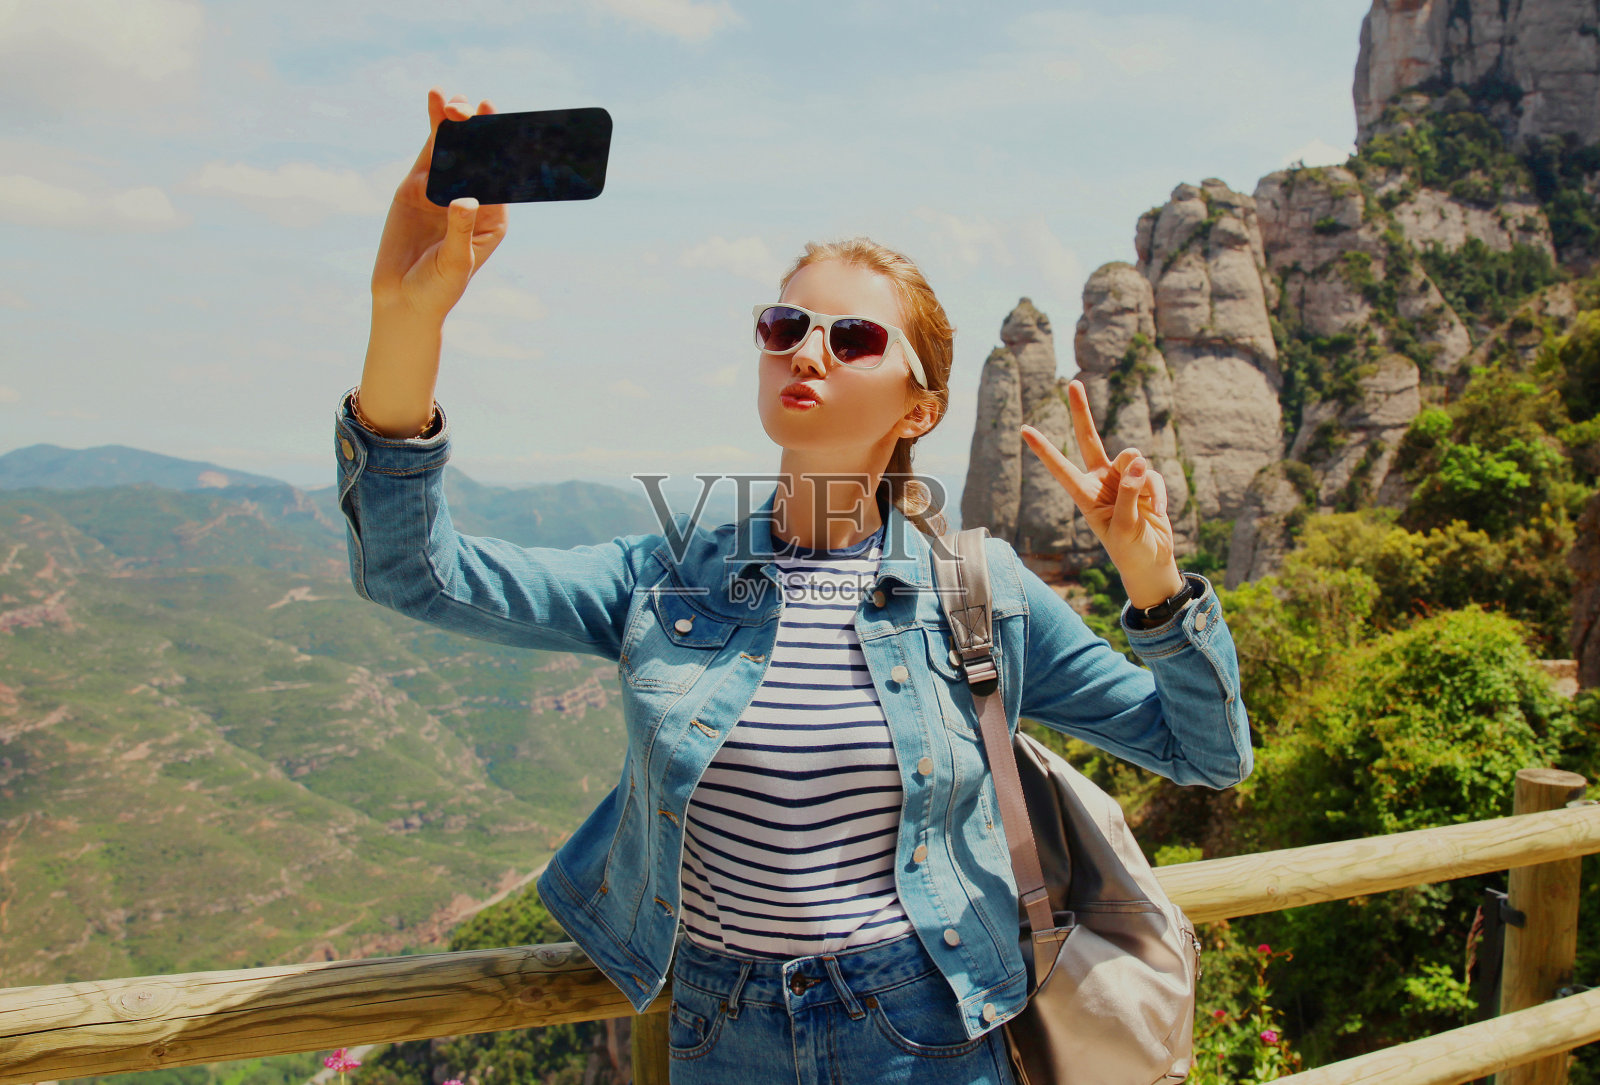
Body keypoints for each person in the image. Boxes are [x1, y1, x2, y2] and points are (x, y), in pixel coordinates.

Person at [335, 87, 1254, 1085]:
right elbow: (413, 571)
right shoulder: (664, 578)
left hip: (929, 1029)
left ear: (920, 407)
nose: (806, 349)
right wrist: (405, 314)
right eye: (785, 324)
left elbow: (1203, 752)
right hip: (721, 1033)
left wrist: (1155, 586)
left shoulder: (975, 592)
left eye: (852, 338)